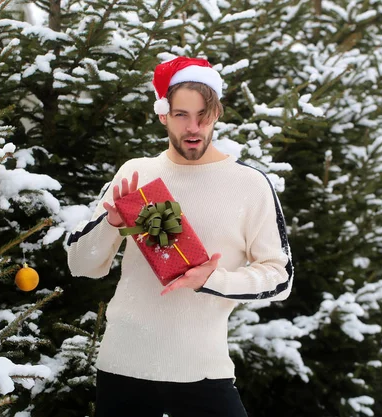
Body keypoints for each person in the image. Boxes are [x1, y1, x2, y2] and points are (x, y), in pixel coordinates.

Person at [66, 56, 294, 417]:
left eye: (204, 115)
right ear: (163, 115)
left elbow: (280, 277)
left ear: (217, 113)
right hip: (122, 368)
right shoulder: (136, 173)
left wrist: (214, 279)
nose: (194, 127)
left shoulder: (249, 185)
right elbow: (82, 265)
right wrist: (110, 224)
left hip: (203, 373)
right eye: (182, 115)